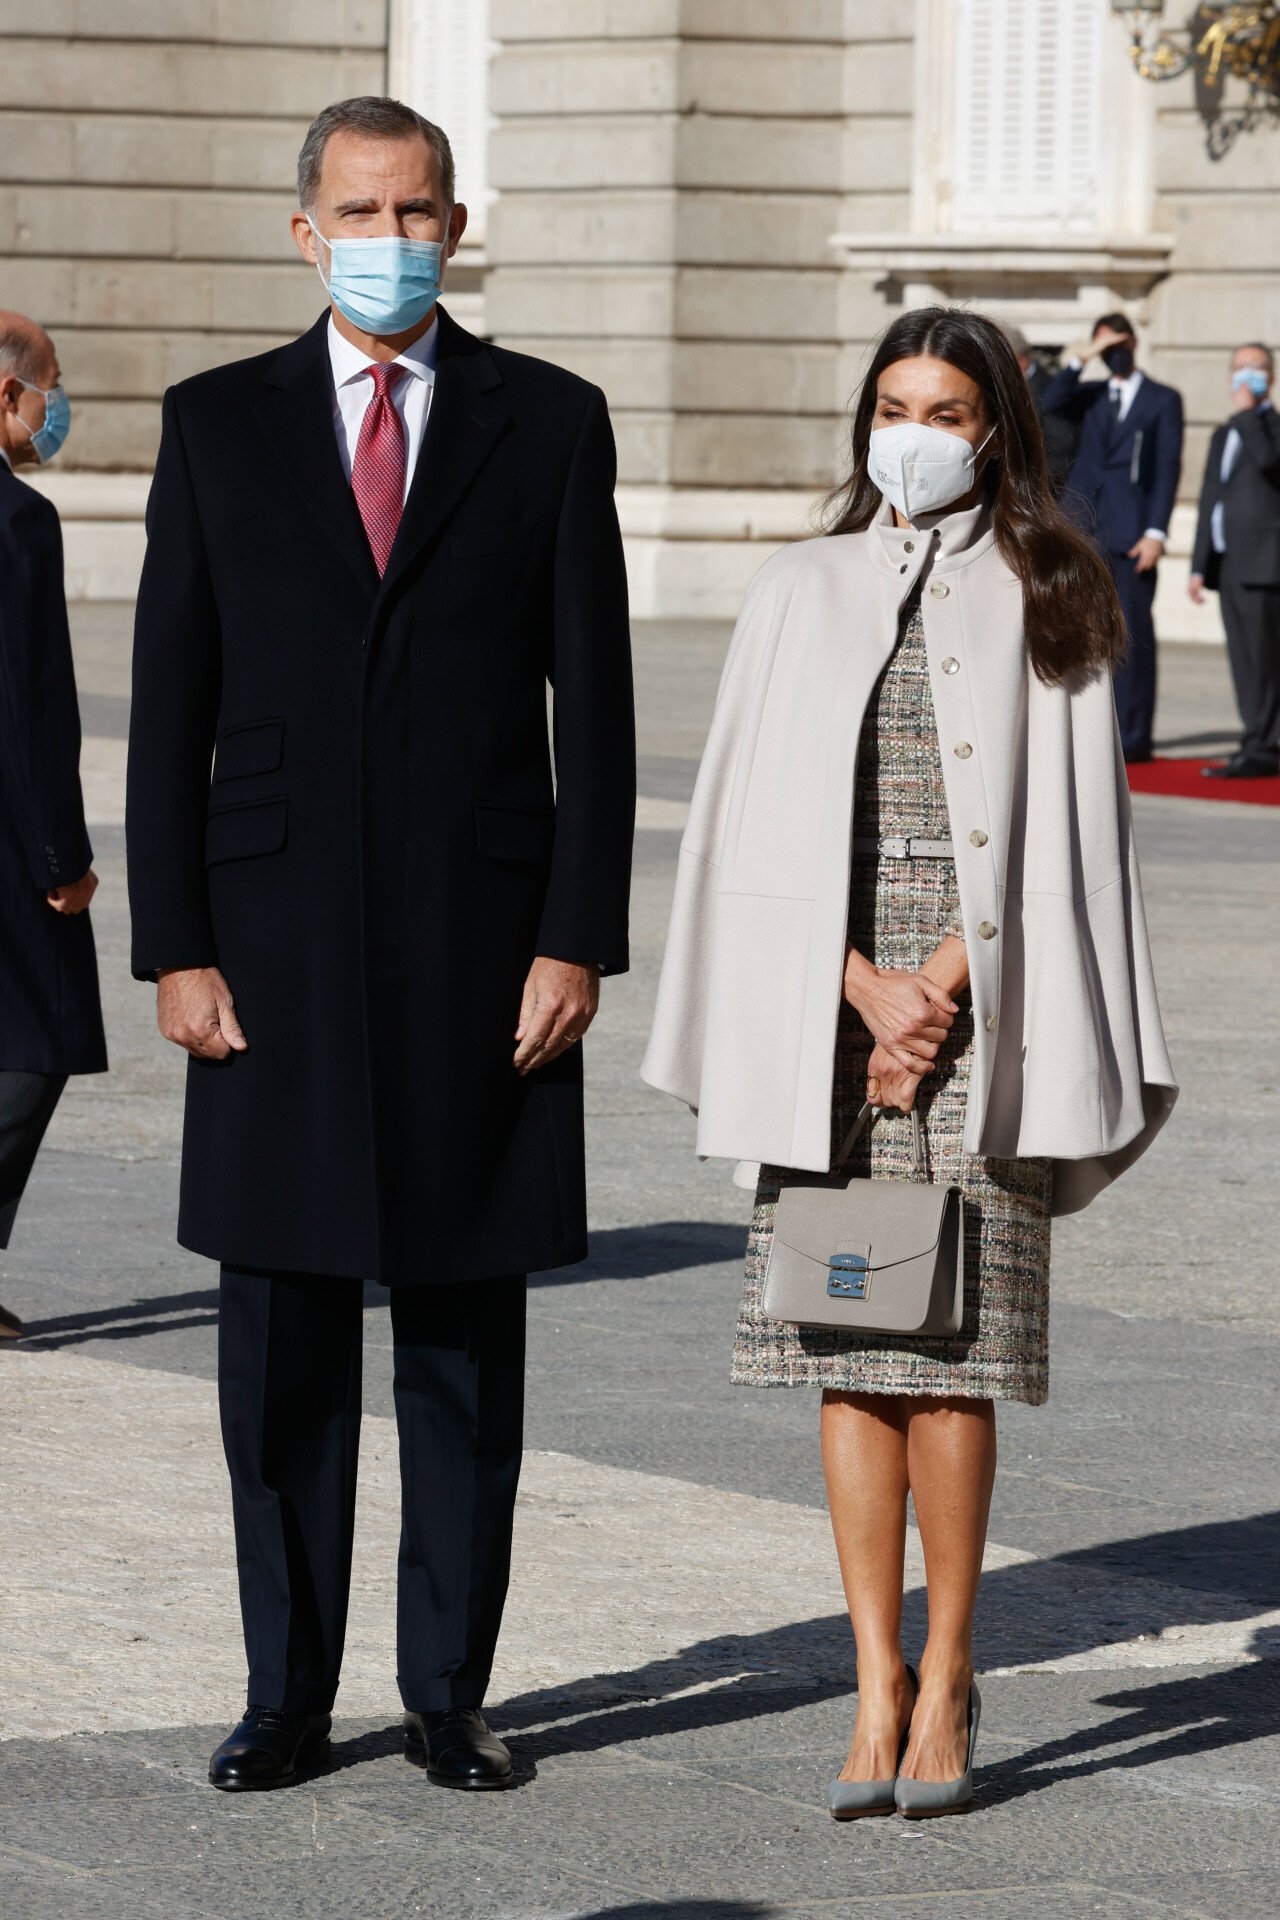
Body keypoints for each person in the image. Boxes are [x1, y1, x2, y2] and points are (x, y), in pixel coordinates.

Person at [126, 96, 635, 1793]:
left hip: (481, 948)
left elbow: (602, 709)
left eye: (418, 208)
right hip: (263, 950)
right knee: (277, 1341)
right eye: (360, 207)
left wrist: (576, 937)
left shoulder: (550, 423)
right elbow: (167, 707)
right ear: (304, 228)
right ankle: (287, 1692)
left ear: (460, 222)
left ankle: (446, 1693)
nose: (391, 235)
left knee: (460, 1340)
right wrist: (173, 945)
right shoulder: (212, 427)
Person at [643, 307, 1176, 1819]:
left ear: (994, 426)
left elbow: (1078, 839)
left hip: (985, 1019)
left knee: (960, 1363)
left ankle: (951, 1674)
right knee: (849, 1343)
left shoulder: (1048, 586)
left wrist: (938, 992)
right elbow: (747, 827)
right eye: (893, 402)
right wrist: (862, 991)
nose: (914, 431)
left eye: (944, 407)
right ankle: (870, 1674)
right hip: (832, 1012)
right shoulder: (797, 586)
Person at [0, 313, 106, 1341]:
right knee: (40, 1040)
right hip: (8, 839)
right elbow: (32, 706)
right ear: (7, 398)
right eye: (50, 388)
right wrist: (61, 856)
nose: (56, 408)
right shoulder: (18, 520)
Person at [1041, 312, 1184, 763]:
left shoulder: (1163, 399)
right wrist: (1082, 357)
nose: (1115, 352)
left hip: (1133, 533)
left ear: (1135, 344)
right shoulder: (1091, 394)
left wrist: (1157, 531)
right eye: (1107, 346)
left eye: (1120, 343)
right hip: (1084, 528)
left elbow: (1167, 468)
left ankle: (1135, 735)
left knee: (1134, 634)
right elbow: (1049, 404)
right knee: (1083, 633)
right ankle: (1091, 730)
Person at [1188, 342, 1280, 778]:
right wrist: (1198, 564)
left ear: (1270, 378)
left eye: (1255, 370)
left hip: (1264, 564)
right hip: (1229, 564)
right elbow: (1211, 500)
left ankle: (1263, 745)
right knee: (1244, 660)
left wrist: (1250, 412)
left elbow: (1269, 461)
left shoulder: (1270, 427)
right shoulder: (1223, 433)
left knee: (1265, 660)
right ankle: (1258, 738)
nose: (1245, 378)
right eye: (1240, 370)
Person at [998, 322, 1077, 495]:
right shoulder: (1001, 390)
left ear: (1021, 360)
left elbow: (1059, 450)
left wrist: (1028, 486)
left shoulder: (1051, 389)